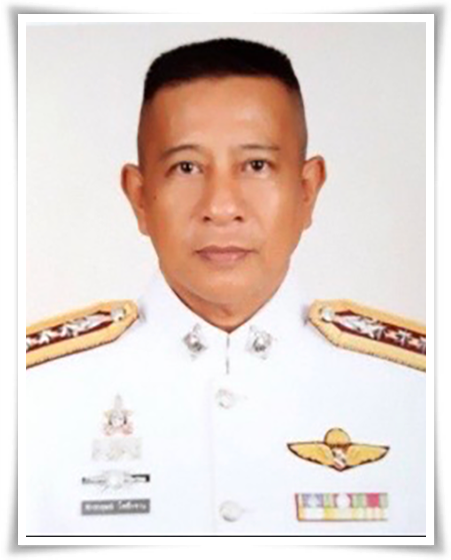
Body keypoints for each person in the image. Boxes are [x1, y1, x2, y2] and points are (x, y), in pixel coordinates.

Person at [25, 37, 426, 537]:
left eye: (256, 166)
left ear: (306, 191)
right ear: (140, 198)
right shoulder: (30, 399)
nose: (220, 207)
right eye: (186, 168)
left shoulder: (419, 395)